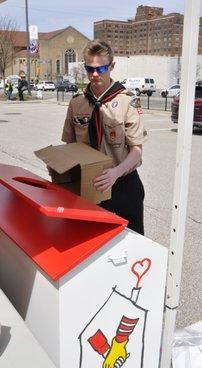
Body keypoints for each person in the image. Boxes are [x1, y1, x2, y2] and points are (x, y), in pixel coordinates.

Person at [61, 40, 146, 235]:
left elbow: (136, 150)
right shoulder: (77, 103)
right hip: (89, 186)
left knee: (131, 245)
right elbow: (69, 145)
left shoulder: (128, 101)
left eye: (101, 68)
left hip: (123, 185)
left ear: (112, 66)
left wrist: (116, 173)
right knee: (92, 245)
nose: (95, 74)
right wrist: (61, 165)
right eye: (89, 69)